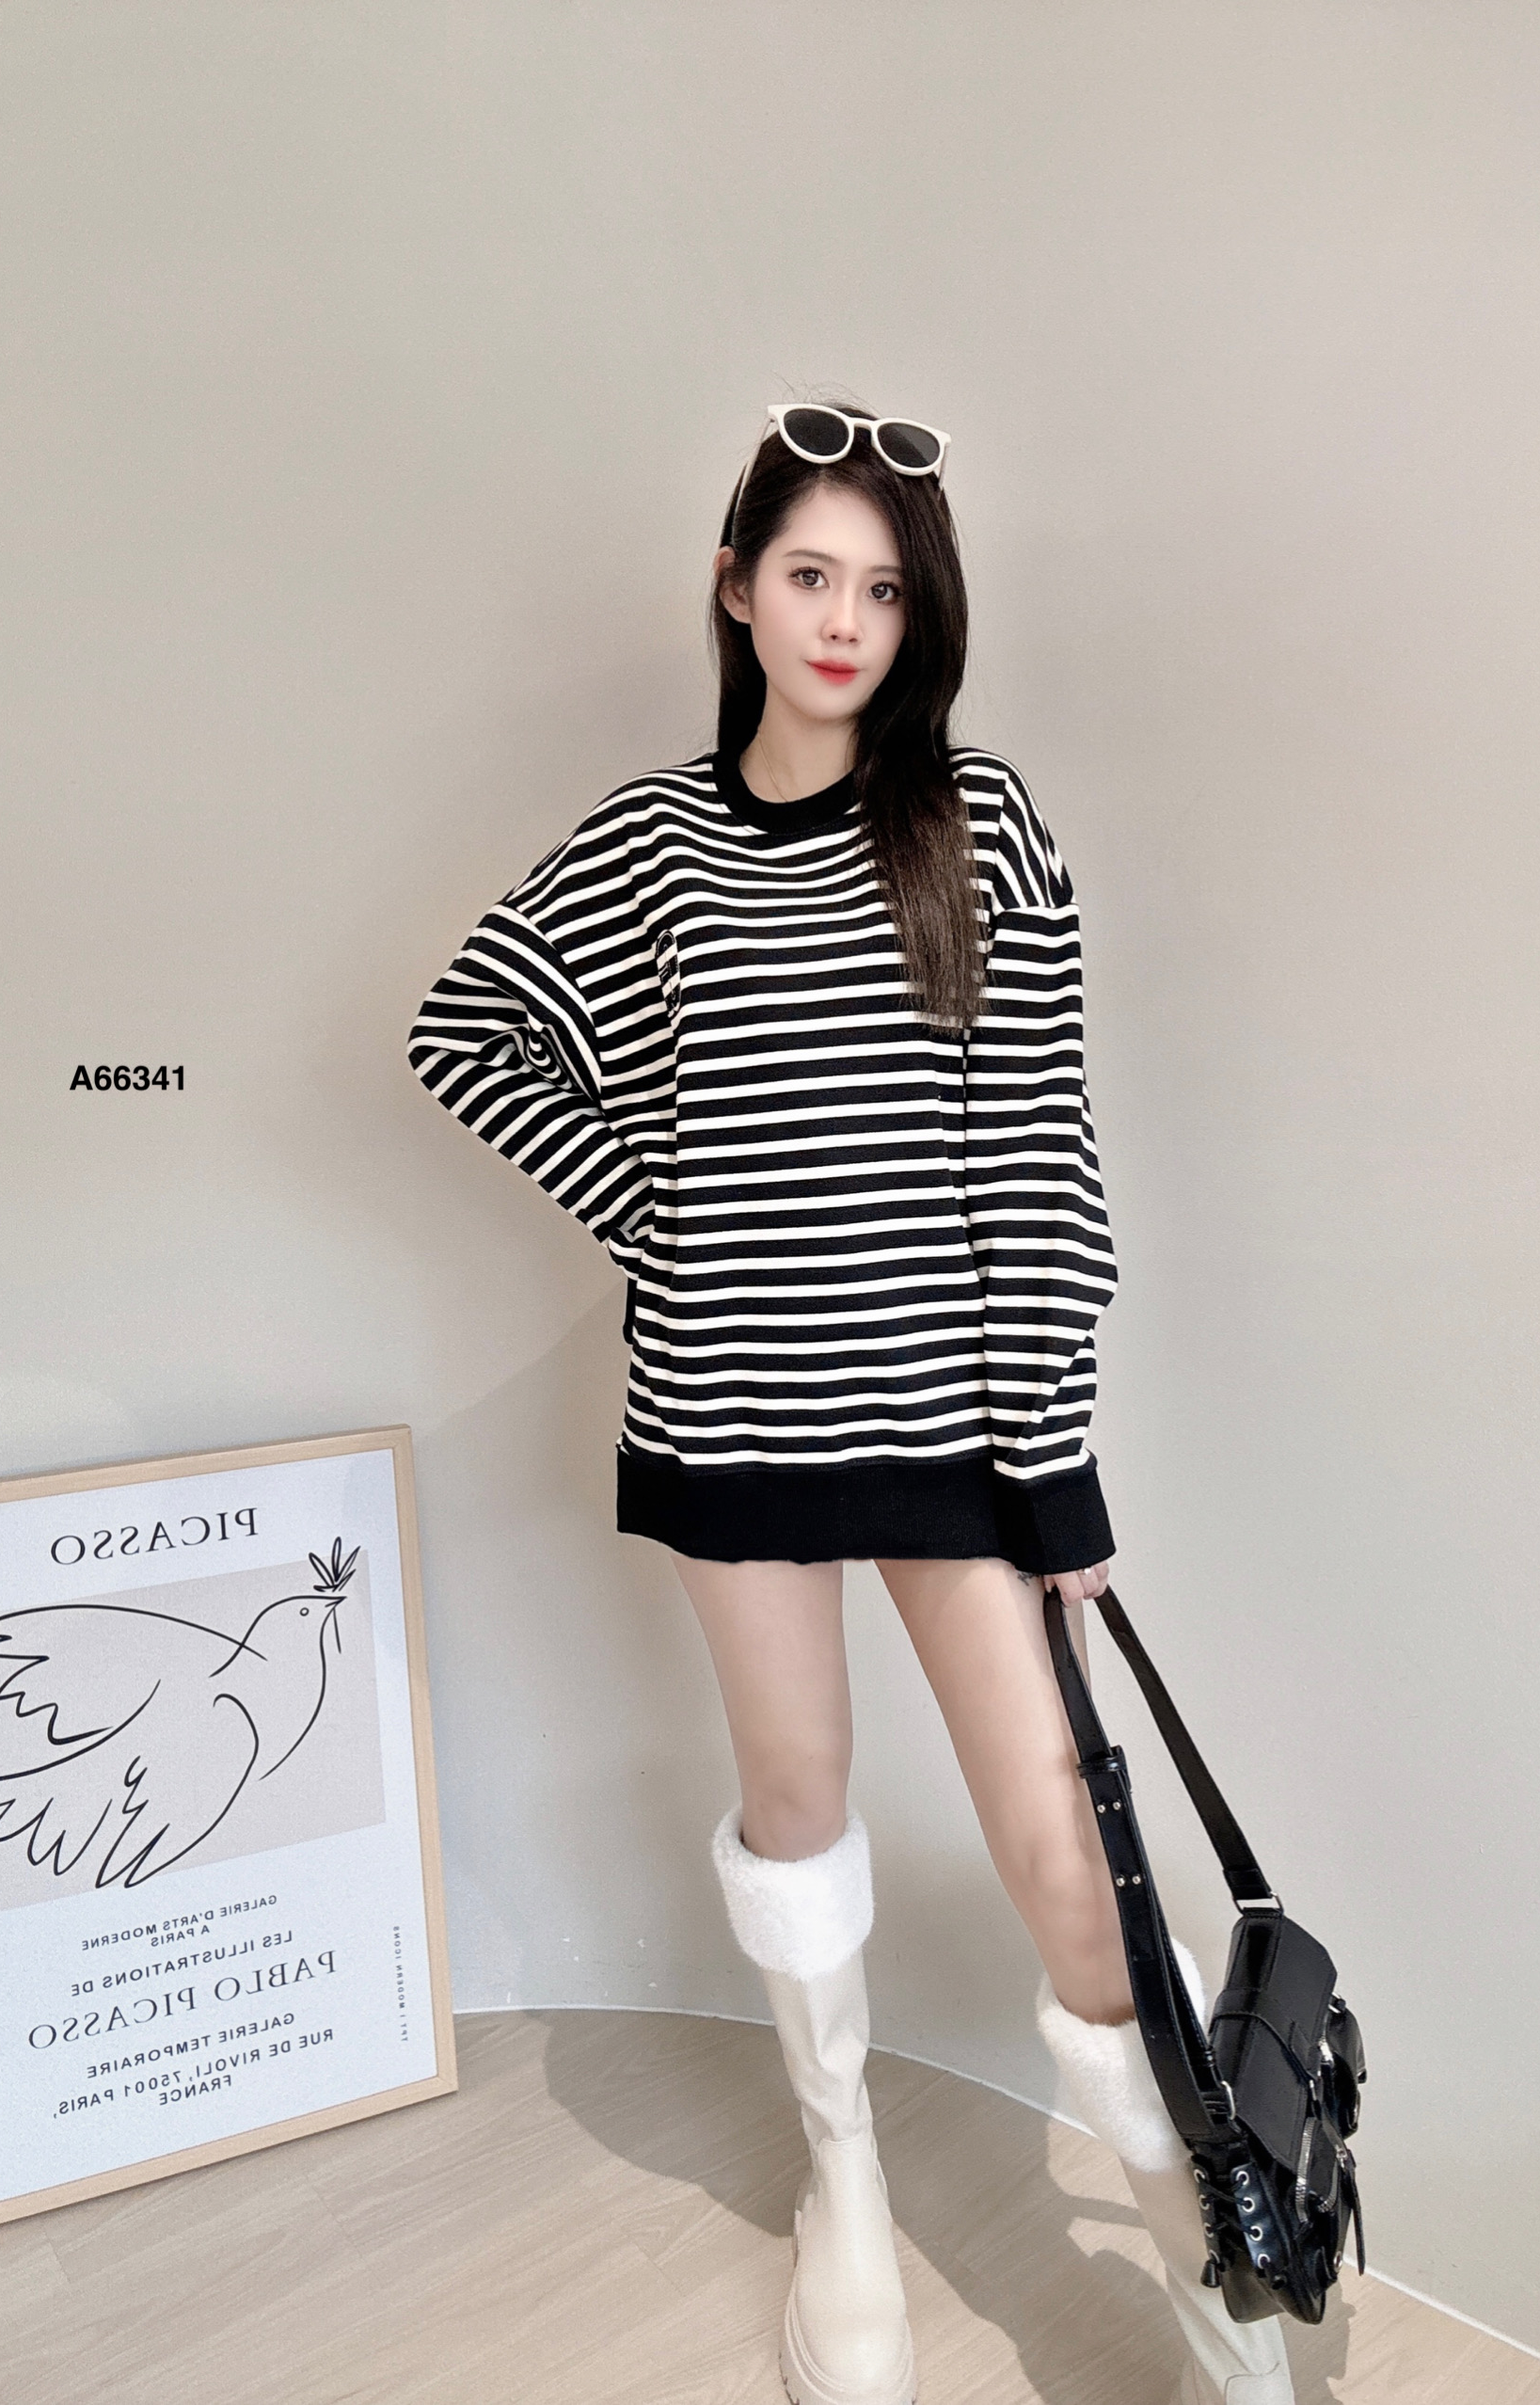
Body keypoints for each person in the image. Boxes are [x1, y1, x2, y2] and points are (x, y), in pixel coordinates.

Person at [407, 397, 1292, 2405]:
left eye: (884, 591)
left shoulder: (980, 822)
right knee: (795, 1796)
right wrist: (673, 1212)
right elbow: (470, 1035)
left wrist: (1054, 1467)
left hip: (957, 1424)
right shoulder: (651, 844)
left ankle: (1208, 2263)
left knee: (1073, 1868)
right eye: (810, 575)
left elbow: (1040, 1153)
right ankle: (848, 2189)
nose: (844, 623)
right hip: (730, 1409)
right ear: (736, 590)